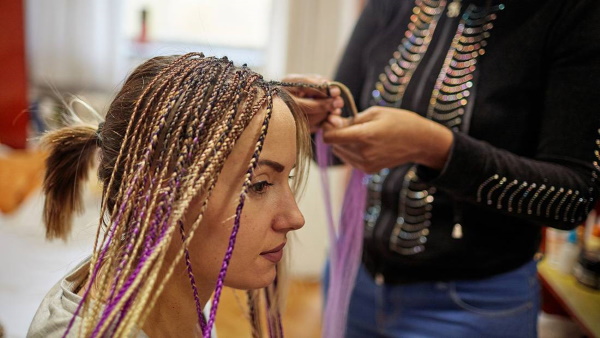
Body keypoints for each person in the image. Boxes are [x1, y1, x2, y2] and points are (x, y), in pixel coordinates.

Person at [290, 0, 600, 337]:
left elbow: (571, 199)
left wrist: (437, 148)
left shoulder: (571, 12)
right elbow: (334, 150)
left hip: (471, 305)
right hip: (353, 278)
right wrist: (313, 116)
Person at [28, 53, 311, 337]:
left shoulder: (175, 297)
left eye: (287, 177)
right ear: (152, 193)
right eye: (259, 185)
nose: (294, 218)